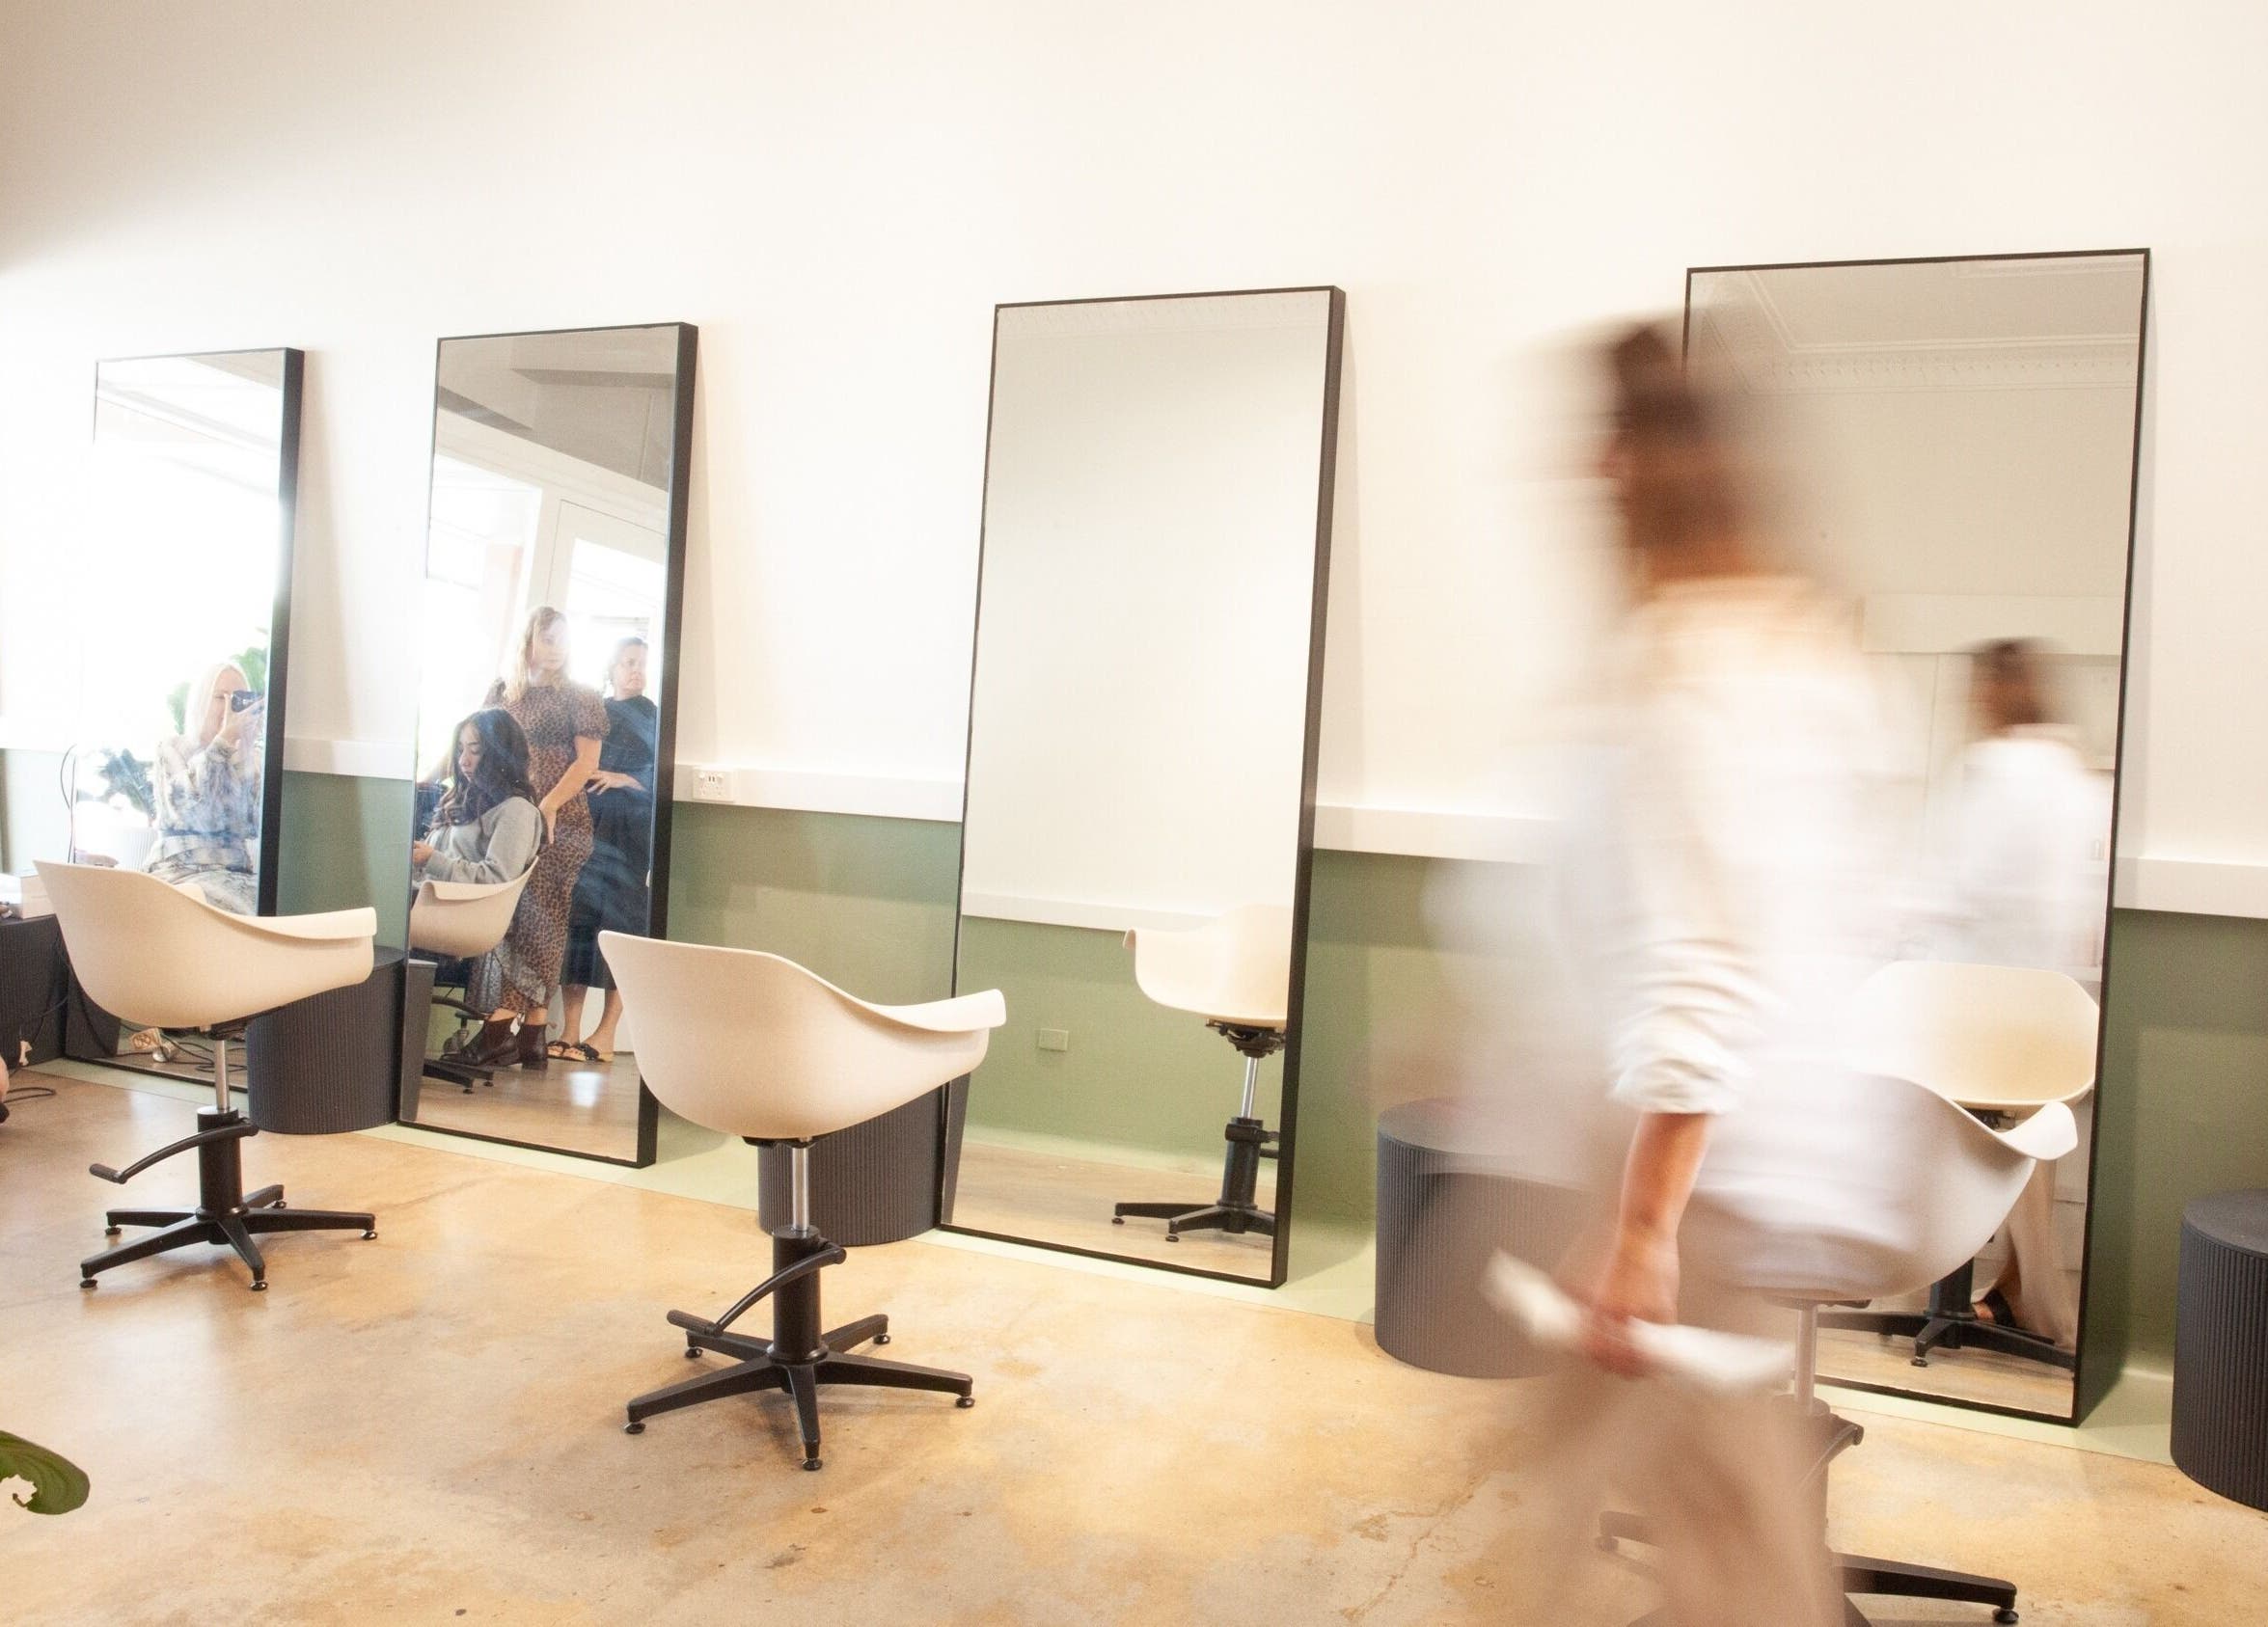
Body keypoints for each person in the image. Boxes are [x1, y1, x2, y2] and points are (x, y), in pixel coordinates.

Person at [1493, 325, 1910, 1626]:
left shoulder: (1684, 667)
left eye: (1608, 439)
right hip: (1707, 1148)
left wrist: (1639, 1227)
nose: (1586, 465)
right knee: (1613, 1496)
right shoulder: (1804, 646)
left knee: (1729, 1550)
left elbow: (1700, 964)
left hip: (1692, 1172)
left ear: (1642, 464)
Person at [1932, 637, 2108, 1348]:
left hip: (1984, 1016)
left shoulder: (1994, 767)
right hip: (2057, 1016)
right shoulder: (2076, 774)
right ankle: (2016, 1292)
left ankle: (2039, 1302)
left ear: (1993, 692)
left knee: (1982, 1128)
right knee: (2036, 1134)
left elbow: (1956, 887)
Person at [480, 607, 605, 1067]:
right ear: (528, 640)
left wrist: (547, 806)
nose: (556, 648)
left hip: (560, 821)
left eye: (563, 640)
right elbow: (473, 745)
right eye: (547, 638)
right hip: (507, 818)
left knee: (543, 918)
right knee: (510, 918)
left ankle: (498, 1024)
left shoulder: (581, 697)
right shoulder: (501, 692)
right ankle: (533, 1030)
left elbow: (586, 764)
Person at [414, 708, 545, 1069]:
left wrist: (431, 859)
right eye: (460, 750)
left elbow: (495, 879)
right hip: (433, 903)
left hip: (462, 916)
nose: (464, 760)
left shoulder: (516, 811)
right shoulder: (465, 800)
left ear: (499, 753)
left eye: (475, 750)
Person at [554, 635, 658, 1065]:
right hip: (587, 826)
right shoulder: (594, 712)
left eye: (641, 664)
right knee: (577, 923)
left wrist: (624, 778)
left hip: (630, 832)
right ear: (611, 669)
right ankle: (571, 1029)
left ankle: (606, 1034)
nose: (636, 670)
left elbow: (661, 772)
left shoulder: (654, 716)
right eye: (628, 663)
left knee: (622, 929)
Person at [144, 661, 264, 913]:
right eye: (220, 697)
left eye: (238, 698)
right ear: (201, 701)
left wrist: (244, 750)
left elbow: (254, 823)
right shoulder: (173, 748)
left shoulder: (252, 759)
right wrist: (224, 740)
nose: (230, 706)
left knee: (270, 911)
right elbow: (188, 805)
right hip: (180, 872)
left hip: (237, 874)